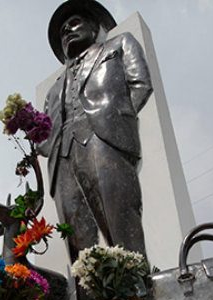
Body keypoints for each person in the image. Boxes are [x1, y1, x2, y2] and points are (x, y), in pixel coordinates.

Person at [38, 0, 153, 265]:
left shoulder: (119, 45)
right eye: (62, 30)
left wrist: (117, 121)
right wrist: (28, 130)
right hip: (64, 159)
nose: (67, 30)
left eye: (74, 23)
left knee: (120, 222)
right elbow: (45, 138)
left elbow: (140, 84)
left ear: (94, 26)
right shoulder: (54, 89)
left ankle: (137, 295)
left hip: (105, 140)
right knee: (78, 243)